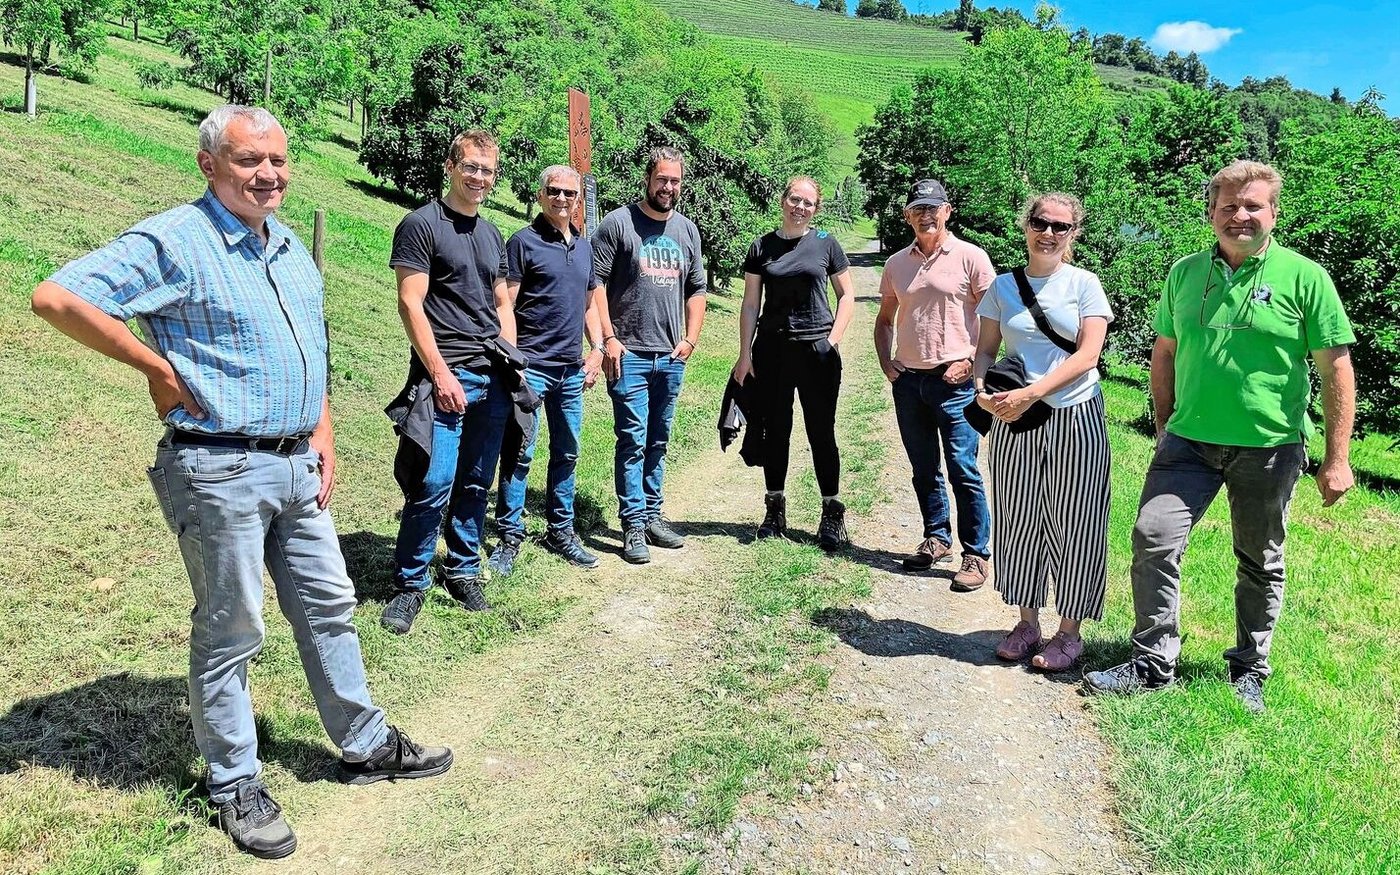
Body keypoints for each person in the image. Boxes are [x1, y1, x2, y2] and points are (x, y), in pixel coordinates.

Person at [29, 105, 452, 859]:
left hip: (295, 461)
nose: (269, 174)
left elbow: (309, 345)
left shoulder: (287, 246)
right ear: (210, 165)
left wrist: (320, 426)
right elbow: (58, 296)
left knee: (329, 605)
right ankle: (234, 782)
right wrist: (156, 367)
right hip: (218, 465)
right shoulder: (177, 240)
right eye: (250, 160)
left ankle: (364, 739)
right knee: (233, 628)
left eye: (279, 161)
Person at [1086, 160, 1356, 712]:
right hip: (1188, 442)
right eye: (1229, 205)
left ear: (1273, 213)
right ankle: (1152, 660)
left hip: (1270, 446)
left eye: (1253, 205)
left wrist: (1338, 458)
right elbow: (1164, 352)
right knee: (1152, 538)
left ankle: (1250, 668)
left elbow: (1336, 369)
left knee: (1260, 558)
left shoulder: (1305, 277)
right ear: (1211, 212)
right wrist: (1163, 424)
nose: (1240, 215)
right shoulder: (1185, 274)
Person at [972, 192, 1113, 672]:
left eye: (1060, 226)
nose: (1048, 233)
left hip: (1075, 414)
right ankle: (1027, 622)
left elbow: (1087, 355)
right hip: (1014, 419)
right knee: (1019, 518)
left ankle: (1069, 633)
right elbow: (986, 351)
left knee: (1078, 521)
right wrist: (981, 390)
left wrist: (1032, 393)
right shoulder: (1002, 287)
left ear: (1073, 234)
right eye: (1040, 222)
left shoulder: (1085, 284)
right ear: (1026, 224)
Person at [381, 129, 515, 634]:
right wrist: (439, 374)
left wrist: (510, 356)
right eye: (472, 167)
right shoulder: (421, 225)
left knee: (477, 480)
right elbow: (410, 303)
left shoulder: (491, 233)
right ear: (451, 166)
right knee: (434, 482)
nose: (479, 178)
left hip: (491, 375)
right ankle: (410, 584)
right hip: (447, 374)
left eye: (488, 170)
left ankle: (462, 569)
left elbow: (501, 302)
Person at [873, 179, 994, 585]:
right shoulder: (896, 264)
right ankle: (936, 537)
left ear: (947, 211)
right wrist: (887, 364)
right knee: (924, 468)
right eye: (917, 209)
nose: (926, 215)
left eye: (933, 208)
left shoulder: (971, 257)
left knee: (964, 469)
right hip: (909, 383)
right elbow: (885, 318)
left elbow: (996, 320)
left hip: (955, 383)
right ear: (907, 216)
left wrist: (973, 361)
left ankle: (976, 555)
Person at [489, 165, 609, 575]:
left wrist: (597, 349)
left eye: (570, 193)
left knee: (567, 452)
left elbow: (591, 303)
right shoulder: (523, 243)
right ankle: (509, 536)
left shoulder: (585, 248)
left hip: (571, 370)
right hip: (532, 369)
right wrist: (514, 363)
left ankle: (561, 531)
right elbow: (506, 305)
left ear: (579, 200)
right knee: (520, 453)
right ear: (541, 195)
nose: (562, 199)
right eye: (554, 191)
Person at [592, 146, 707, 564]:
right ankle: (633, 524)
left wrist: (690, 340)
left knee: (658, 439)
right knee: (633, 441)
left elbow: (697, 289)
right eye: (662, 179)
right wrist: (608, 337)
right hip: (630, 355)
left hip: (671, 356)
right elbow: (596, 284)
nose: (668, 187)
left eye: (675, 181)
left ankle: (653, 513)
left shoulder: (687, 231)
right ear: (648, 178)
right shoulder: (618, 224)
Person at [732, 176, 855, 550]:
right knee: (775, 431)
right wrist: (744, 353)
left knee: (821, 432)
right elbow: (751, 303)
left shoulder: (825, 244)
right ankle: (774, 508)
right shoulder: (761, 246)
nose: (799, 207)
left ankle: (832, 512)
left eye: (808, 203)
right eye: (794, 199)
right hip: (772, 350)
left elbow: (847, 295)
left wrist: (830, 341)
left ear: (816, 209)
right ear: (783, 201)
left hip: (817, 351)